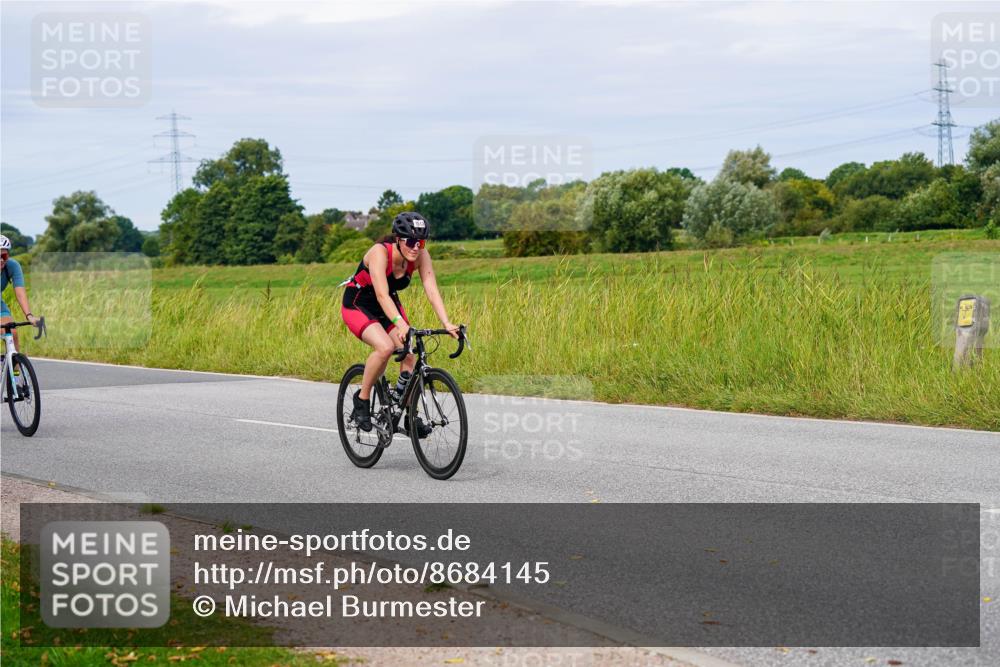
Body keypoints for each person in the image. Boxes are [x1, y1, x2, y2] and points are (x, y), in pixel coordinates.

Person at [341, 212, 459, 434]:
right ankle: (362, 400)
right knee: (385, 347)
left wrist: (446, 322)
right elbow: (381, 294)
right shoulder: (379, 252)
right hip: (359, 304)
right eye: (411, 242)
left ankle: (408, 414)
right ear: (398, 239)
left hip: (388, 306)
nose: (416, 247)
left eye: (421, 242)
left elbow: (432, 289)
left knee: (409, 354)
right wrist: (400, 324)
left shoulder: (421, 255)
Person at [1, 234, 39, 367]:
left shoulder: (12, 266)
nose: (1, 260)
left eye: (4, 256)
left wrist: (29, 315)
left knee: (12, 332)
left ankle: (15, 373)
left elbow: (20, 292)